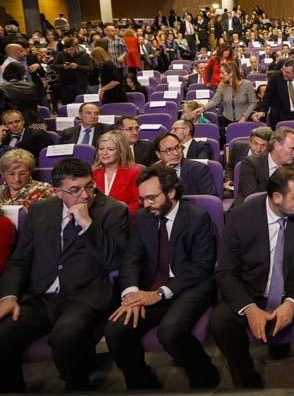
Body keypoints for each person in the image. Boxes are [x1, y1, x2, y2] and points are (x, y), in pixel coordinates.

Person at [0, 158, 129, 391]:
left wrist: (88, 224)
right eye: (75, 190)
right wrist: (8, 296)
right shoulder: (40, 210)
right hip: (41, 295)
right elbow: (20, 260)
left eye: (89, 186)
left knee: (65, 338)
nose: (85, 195)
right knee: (3, 334)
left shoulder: (113, 211)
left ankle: (77, 385)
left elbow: (115, 260)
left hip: (83, 295)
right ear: (58, 192)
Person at [211, 165, 294, 388]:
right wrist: (249, 308)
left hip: (293, 290)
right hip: (253, 292)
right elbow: (225, 271)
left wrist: (291, 303)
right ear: (276, 197)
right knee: (221, 319)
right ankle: (245, 377)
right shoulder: (240, 216)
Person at [104, 165, 218, 390]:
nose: (146, 204)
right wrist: (131, 294)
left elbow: (201, 267)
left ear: (171, 193)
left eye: (151, 198)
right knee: (115, 329)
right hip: (151, 290)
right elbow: (131, 259)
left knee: (170, 331)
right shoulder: (142, 218)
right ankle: (142, 383)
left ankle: (205, 376)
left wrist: (159, 294)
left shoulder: (197, 218)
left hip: (189, 287)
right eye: (142, 199)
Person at [0, 149, 56, 273]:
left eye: (22, 173)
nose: (16, 179)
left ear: (30, 172)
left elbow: (51, 222)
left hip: (30, 246)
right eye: (11, 173)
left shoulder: (44, 190)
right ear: (3, 174)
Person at [235, 127, 294, 205]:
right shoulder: (250, 164)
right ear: (277, 146)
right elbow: (253, 198)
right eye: (292, 148)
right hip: (253, 211)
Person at [194, 62, 256, 133]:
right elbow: (215, 101)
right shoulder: (222, 85)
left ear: (231, 73)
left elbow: (253, 103)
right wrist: (202, 109)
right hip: (226, 121)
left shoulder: (247, 84)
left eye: (222, 73)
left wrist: (244, 117)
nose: (220, 76)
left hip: (245, 121)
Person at [92, 131, 141, 219]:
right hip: (96, 221)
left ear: (121, 152)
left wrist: (119, 213)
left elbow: (138, 203)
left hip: (125, 221)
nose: (104, 153)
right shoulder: (92, 173)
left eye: (110, 149)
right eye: (101, 149)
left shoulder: (134, 172)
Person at [153, 133, 216, 197]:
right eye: (169, 150)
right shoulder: (153, 172)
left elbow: (209, 202)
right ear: (158, 154)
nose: (176, 153)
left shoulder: (199, 169)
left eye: (177, 147)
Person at [51, 38, 93, 105]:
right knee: (67, 105)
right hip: (65, 84)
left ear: (76, 47)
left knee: (80, 105)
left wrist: (77, 66)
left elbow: (90, 68)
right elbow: (53, 66)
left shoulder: (84, 55)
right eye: (67, 50)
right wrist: (63, 66)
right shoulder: (61, 54)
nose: (69, 52)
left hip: (80, 84)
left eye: (71, 50)